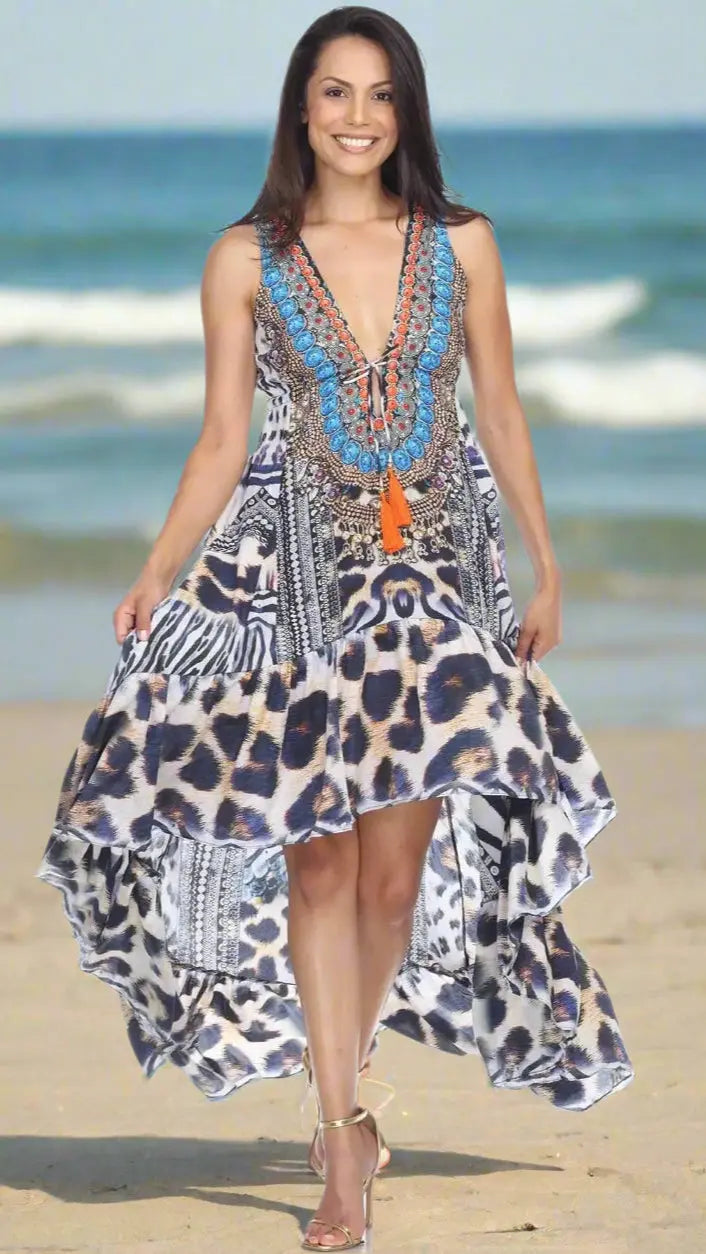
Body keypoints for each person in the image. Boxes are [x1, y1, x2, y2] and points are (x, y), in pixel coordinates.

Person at [36, 6, 634, 1250]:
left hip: (441, 577)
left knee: (393, 873)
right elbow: (219, 440)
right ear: (298, 110)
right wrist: (158, 567)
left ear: (404, 113)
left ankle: (343, 1085)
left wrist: (546, 558)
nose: (356, 117)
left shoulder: (462, 244)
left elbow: (504, 411)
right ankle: (344, 1130)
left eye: (379, 96)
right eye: (332, 94)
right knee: (315, 854)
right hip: (288, 589)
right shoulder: (244, 259)